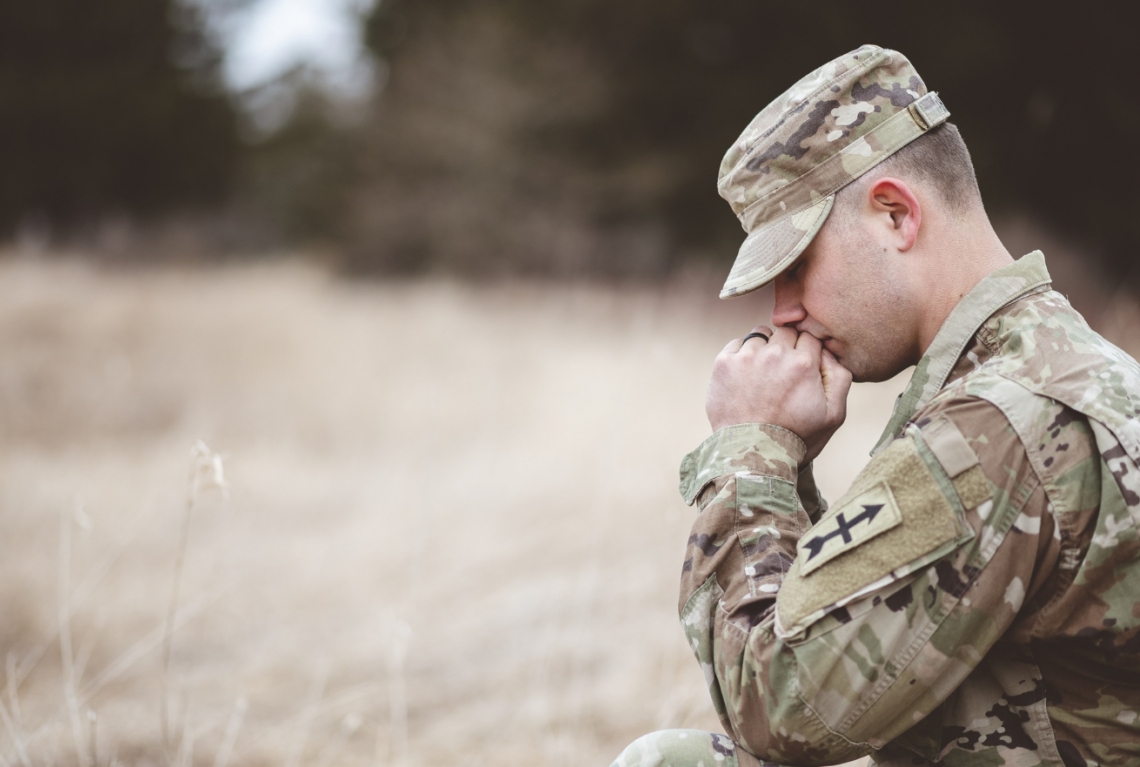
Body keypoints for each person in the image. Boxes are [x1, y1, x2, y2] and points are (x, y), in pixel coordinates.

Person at [612, 45, 1140, 767]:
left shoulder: (1001, 423)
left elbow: (781, 706)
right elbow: (863, 628)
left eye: (796, 266)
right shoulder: (1056, 366)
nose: (785, 312)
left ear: (894, 214)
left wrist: (750, 450)